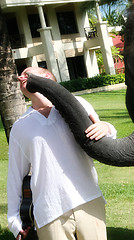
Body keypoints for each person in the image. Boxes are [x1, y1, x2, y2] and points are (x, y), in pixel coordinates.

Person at [7, 67, 117, 240]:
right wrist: (14, 221)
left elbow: (106, 138)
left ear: (47, 77)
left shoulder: (77, 104)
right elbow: (15, 175)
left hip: (89, 200)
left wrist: (106, 127)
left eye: (27, 73)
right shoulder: (20, 127)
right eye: (21, 74)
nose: (21, 77)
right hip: (49, 212)